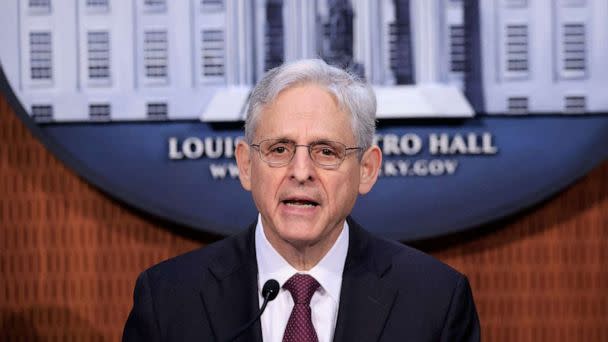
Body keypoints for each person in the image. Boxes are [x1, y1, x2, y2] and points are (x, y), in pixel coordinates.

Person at [123, 59, 480, 341]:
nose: (301, 171)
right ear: (246, 165)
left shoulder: (435, 300)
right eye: (279, 149)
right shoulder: (169, 299)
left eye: (326, 151)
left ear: (367, 169)